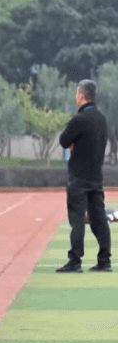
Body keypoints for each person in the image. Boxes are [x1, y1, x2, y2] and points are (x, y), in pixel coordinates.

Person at [56, 79, 111, 273]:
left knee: (77, 218)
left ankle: (75, 261)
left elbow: (63, 140)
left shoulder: (79, 120)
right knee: (99, 218)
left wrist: (73, 145)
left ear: (81, 94)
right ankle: (105, 260)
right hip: (96, 176)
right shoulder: (102, 118)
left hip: (79, 177)